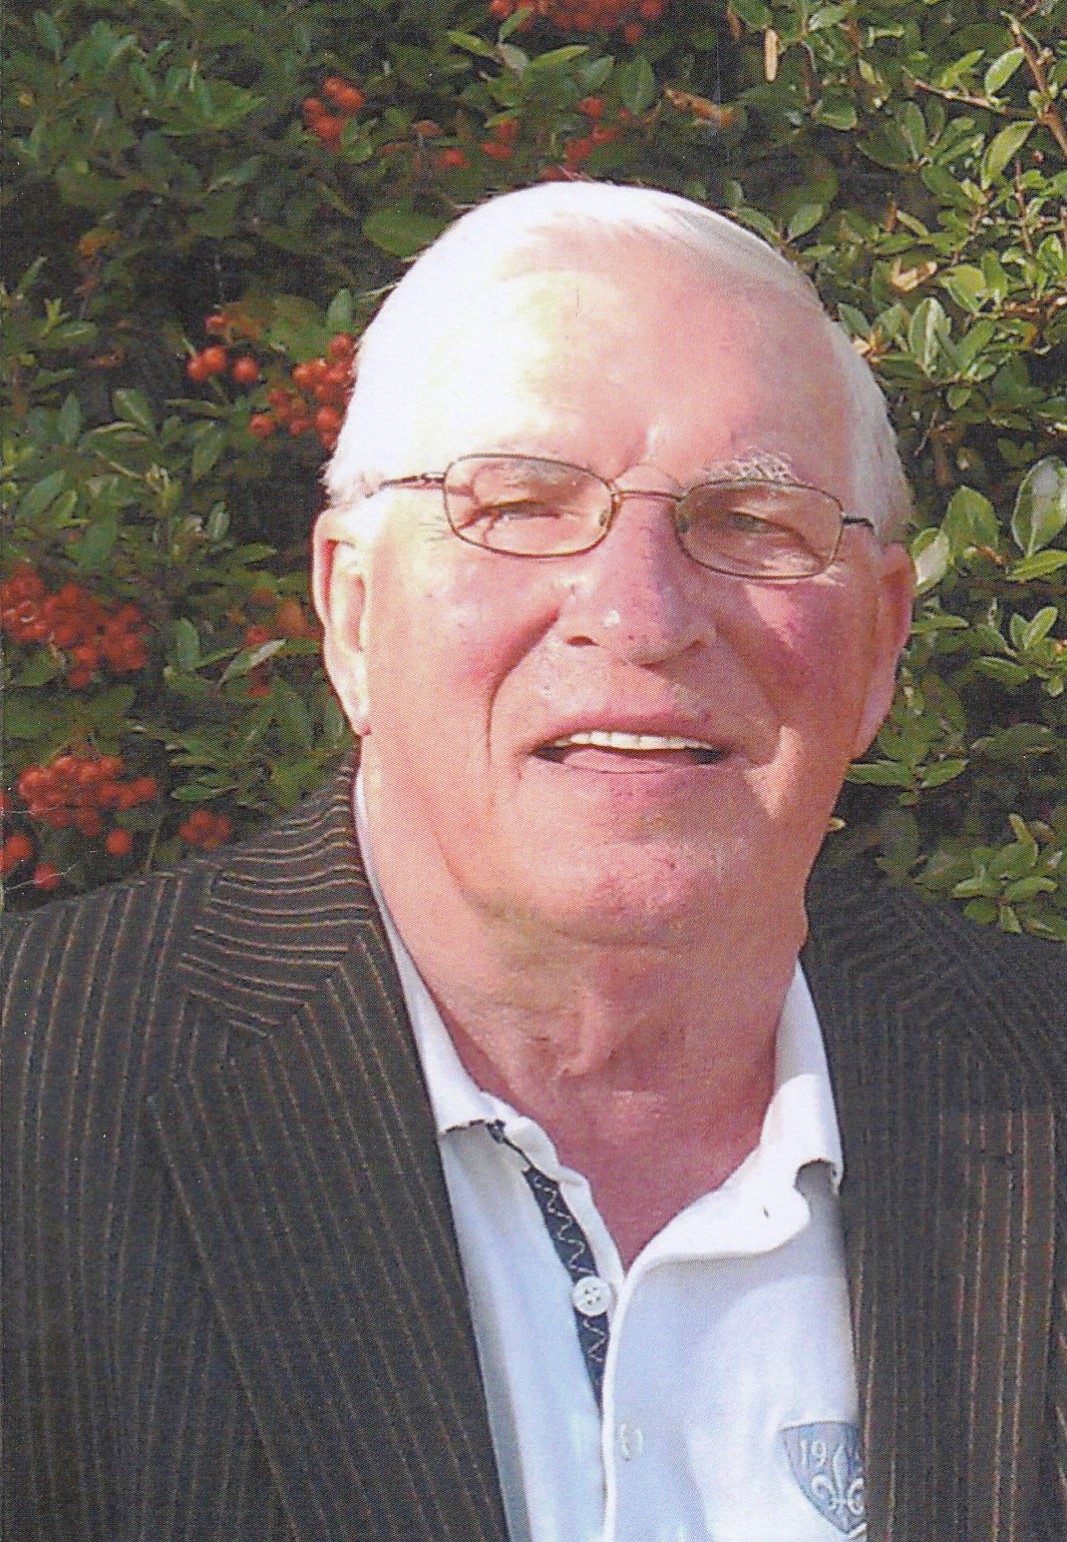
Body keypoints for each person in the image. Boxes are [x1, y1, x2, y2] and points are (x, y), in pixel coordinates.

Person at [3, 182, 1065, 1542]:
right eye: (518, 505)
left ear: (879, 642)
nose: (640, 613)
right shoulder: (35, 1098)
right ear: (352, 611)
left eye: (754, 521)